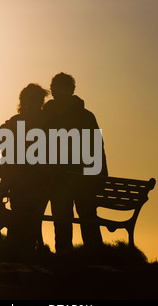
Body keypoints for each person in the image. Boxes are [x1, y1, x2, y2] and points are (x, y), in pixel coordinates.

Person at [43, 72, 108, 254]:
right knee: (85, 217)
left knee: (67, 218)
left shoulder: (47, 117)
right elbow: (98, 149)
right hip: (79, 179)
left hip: (68, 179)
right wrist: (101, 177)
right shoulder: (86, 116)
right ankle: (93, 255)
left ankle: (67, 255)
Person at [0, 83, 50, 260]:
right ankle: (22, 251)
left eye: (36, 100)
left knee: (24, 217)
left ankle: (20, 251)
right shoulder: (34, 122)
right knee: (26, 217)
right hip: (28, 182)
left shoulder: (24, 122)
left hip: (31, 182)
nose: (34, 104)